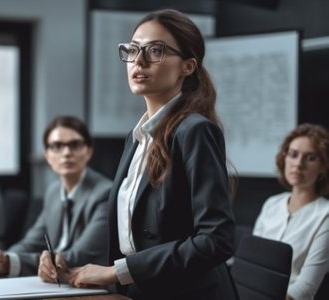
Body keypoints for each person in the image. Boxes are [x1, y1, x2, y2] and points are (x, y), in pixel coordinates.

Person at [38, 9, 238, 300]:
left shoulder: (195, 130)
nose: (138, 60)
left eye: (155, 50)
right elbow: (132, 238)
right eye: (132, 50)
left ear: (188, 66)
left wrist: (114, 272)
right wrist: (71, 265)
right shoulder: (137, 136)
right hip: (140, 291)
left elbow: (216, 240)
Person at [0, 115, 112, 278]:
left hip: (89, 286)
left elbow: (80, 256)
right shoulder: (53, 192)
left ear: (89, 151)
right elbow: (31, 242)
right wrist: (0, 259)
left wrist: (11, 263)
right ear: (47, 155)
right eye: (57, 146)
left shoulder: (105, 192)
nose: (67, 152)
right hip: (53, 282)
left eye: (75, 145)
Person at [253, 123, 329, 300]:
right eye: (293, 155)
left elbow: (306, 288)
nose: (298, 164)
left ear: (324, 166)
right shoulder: (271, 204)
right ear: (284, 158)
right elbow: (252, 262)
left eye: (310, 158)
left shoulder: (325, 215)